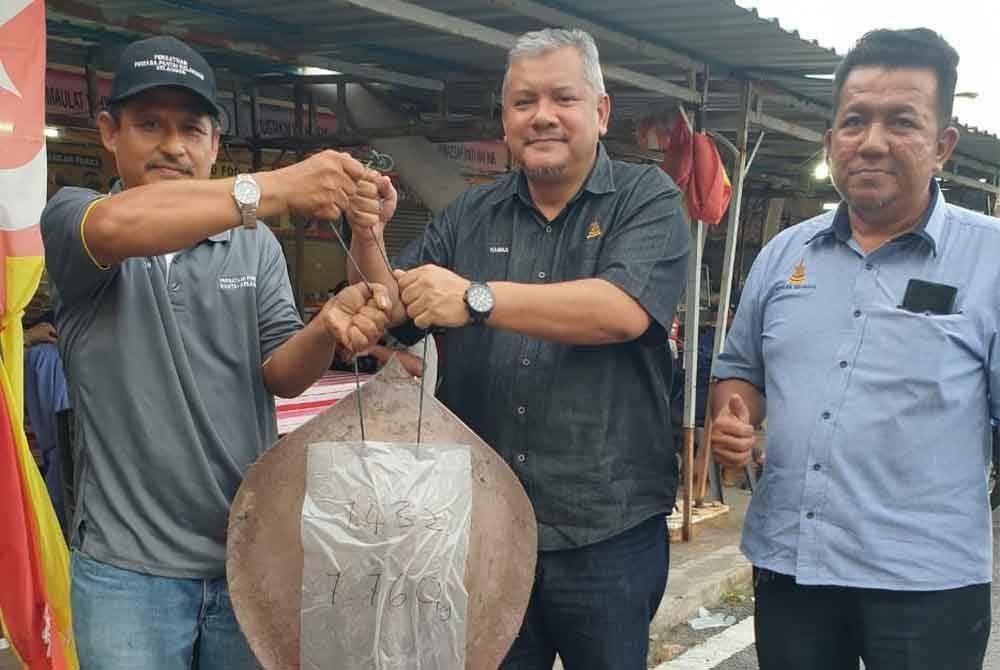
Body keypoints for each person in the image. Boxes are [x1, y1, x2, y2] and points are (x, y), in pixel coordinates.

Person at [40, 35, 391, 669]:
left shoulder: (253, 245)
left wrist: (324, 328)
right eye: (150, 124)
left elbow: (282, 374)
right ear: (108, 132)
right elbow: (120, 226)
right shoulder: (78, 220)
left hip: (246, 556)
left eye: (191, 128)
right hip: (128, 573)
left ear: (214, 143)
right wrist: (277, 186)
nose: (174, 145)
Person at [345, 28, 689, 670]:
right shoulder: (469, 214)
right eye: (524, 102)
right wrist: (368, 235)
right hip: (482, 522)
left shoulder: (647, 199)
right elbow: (386, 310)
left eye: (563, 98)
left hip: (605, 529)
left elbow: (621, 310)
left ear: (601, 111)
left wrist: (476, 298)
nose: (542, 116)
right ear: (505, 120)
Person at [710, 28, 995, 670]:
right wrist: (733, 416)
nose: (871, 142)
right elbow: (741, 371)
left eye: (902, 122)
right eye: (854, 121)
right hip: (793, 568)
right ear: (831, 140)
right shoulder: (785, 254)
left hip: (927, 584)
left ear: (942, 146)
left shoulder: (990, 259)